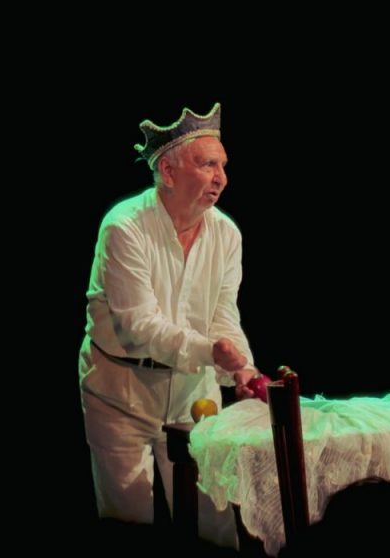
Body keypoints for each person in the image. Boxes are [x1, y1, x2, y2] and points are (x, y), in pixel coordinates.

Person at [78, 102, 259, 547]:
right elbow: (139, 325)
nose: (221, 178)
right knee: (129, 525)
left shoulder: (227, 234)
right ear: (168, 171)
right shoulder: (124, 227)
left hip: (193, 395)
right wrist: (212, 352)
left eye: (223, 166)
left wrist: (241, 368)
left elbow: (223, 314)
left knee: (213, 525)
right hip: (122, 396)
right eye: (208, 164)